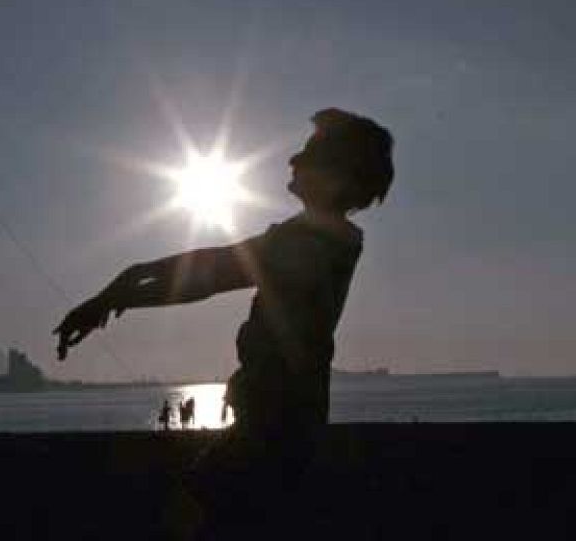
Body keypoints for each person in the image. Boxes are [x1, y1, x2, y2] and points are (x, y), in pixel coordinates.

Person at [55, 108, 394, 531]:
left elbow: (210, 275)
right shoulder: (321, 239)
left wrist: (119, 291)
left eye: (309, 155)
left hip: (272, 431)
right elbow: (216, 265)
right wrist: (127, 284)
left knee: (189, 519)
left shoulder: (310, 244)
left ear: (337, 177)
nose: (293, 160)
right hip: (282, 426)